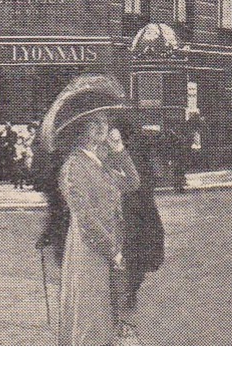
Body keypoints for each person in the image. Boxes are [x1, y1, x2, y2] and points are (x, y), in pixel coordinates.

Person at [56, 96, 136, 344]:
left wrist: (120, 150)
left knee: (106, 317)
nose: (102, 127)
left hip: (109, 246)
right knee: (90, 317)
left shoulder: (101, 164)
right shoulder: (74, 167)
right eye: (93, 123)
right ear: (80, 129)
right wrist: (112, 251)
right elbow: (86, 218)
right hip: (89, 249)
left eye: (104, 121)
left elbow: (132, 183)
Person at [106, 118, 164, 316]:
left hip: (133, 206)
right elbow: (154, 175)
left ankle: (128, 290)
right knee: (138, 249)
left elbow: (138, 179)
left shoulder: (120, 150)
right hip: (140, 207)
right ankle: (131, 289)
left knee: (130, 247)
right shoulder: (135, 146)